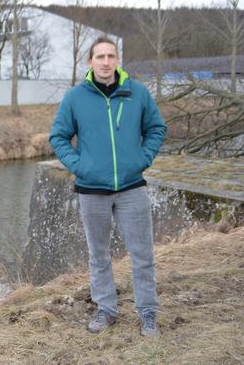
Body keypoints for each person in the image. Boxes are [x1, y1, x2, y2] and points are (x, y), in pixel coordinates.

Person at [49, 36, 167, 337]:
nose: (105, 62)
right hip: (92, 190)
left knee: (142, 254)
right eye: (99, 56)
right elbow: (58, 137)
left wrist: (142, 158)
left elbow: (156, 128)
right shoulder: (75, 98)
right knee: (98, 255)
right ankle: (106, 309)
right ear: (90, 61)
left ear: (118, 60)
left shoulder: (137, 93)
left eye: (110, 56)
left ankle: (148, 313)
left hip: (131, 187)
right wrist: (79, 167)